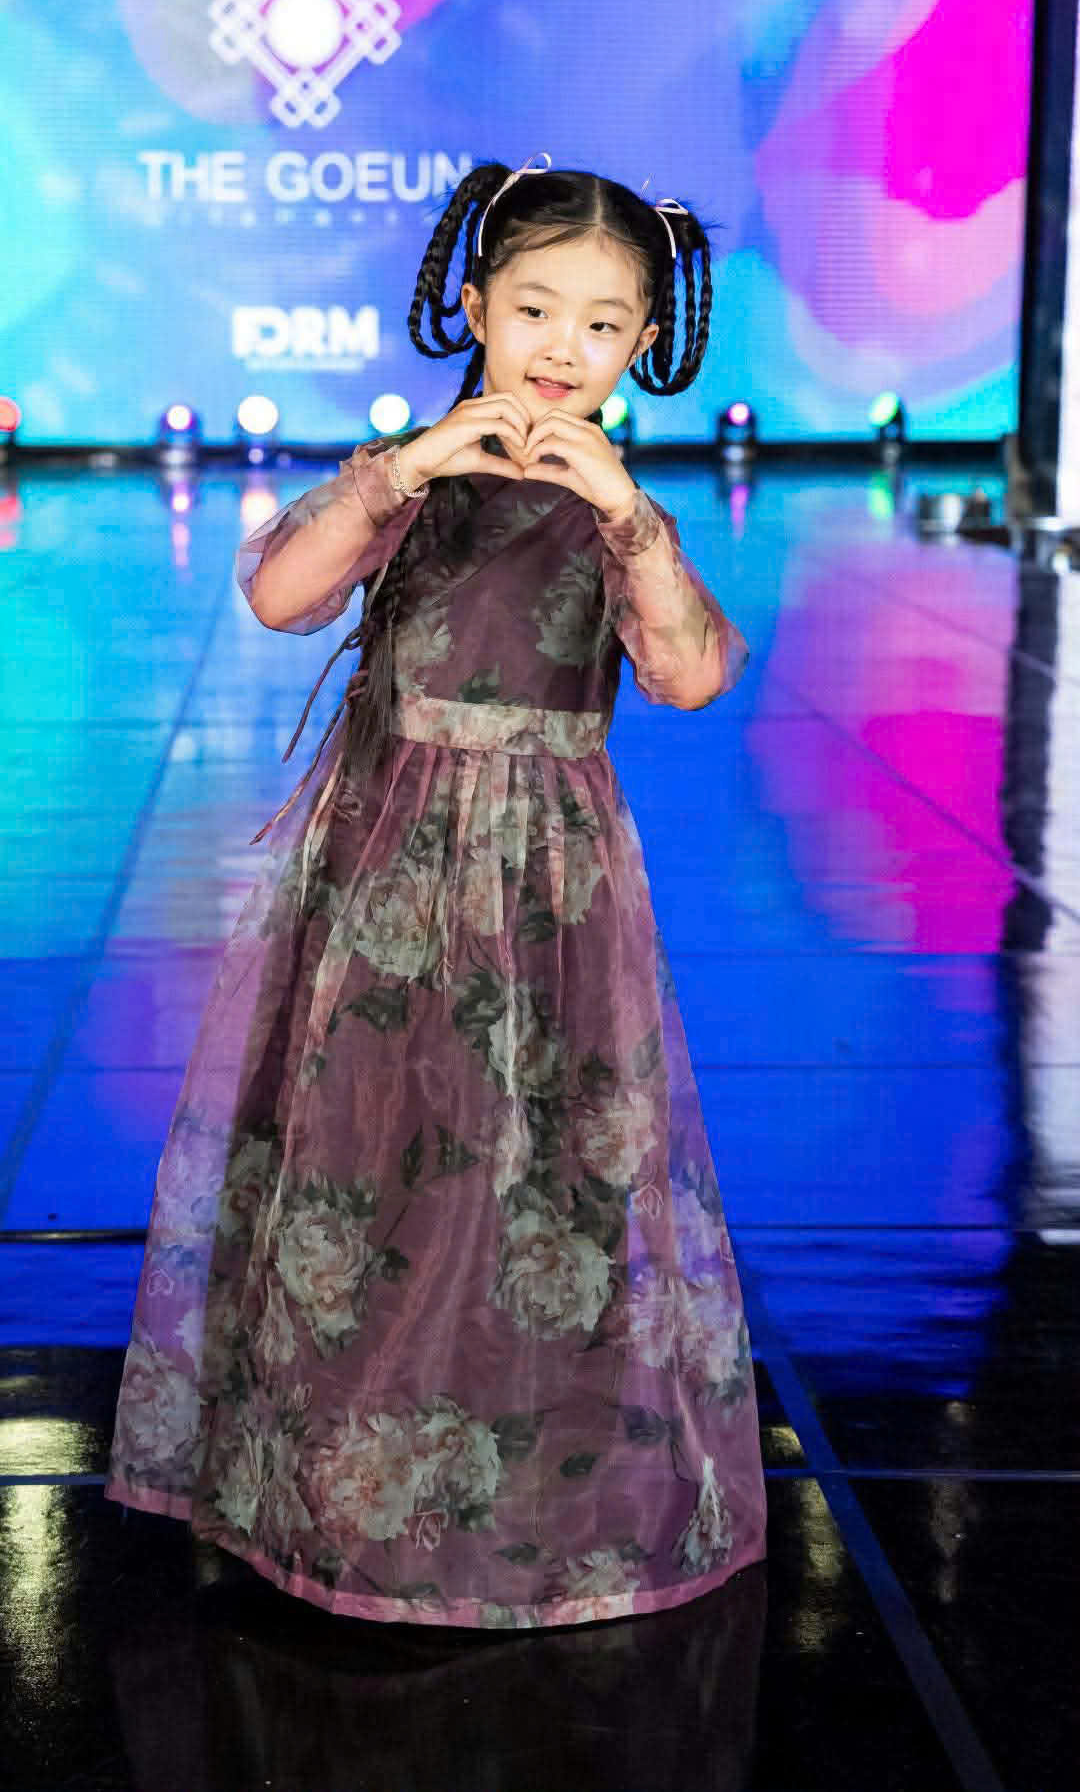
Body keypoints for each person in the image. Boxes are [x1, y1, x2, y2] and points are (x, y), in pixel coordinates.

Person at [104, 154, 768, 1630]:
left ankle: (529, 1458)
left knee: (537, 1157)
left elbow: (688, 674)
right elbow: (281, 593)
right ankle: (337, 1459)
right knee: (370, 1146)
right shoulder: (412, 476)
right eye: (533, 307)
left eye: (603, 324)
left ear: (645, 342)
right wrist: (405, 468)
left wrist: (630, 518)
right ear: (472, 306)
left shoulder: (616, 512)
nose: (562, 347)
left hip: (549, 884)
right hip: (385, 869)